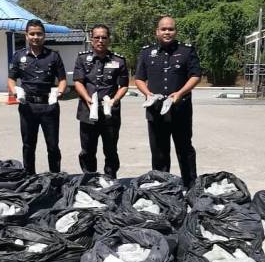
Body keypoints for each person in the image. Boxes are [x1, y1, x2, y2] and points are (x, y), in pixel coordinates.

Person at [134, 16, 201, 188]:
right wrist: (148, 94)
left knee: (185, 149)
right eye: (163, 29)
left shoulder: (187, 51)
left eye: (170, 29)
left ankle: (190, 186)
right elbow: (139, 79)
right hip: (156, 111)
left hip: (181, 110)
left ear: (175, 31)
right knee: (159, 152)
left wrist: (180, 93)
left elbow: (195, 75)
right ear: (157, 32)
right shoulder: (146, 52)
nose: (167, 32)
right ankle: (162, 187)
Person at [8, 19, 67, 175]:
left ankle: (55, 177)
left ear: (44, 35)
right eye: (32, 34)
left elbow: (62, 80)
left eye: (39, 34)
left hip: (49, 106)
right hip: (27, 106)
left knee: (53, 145)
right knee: (28, 145)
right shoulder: (18, 56)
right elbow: (11, 78)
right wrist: (15, 91)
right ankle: (29, 177)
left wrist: (59, 92)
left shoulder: (53, 56)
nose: (36, 37)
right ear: (26, 35)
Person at [73, 24, 129, 178]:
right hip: (87, 112)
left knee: (110, 149)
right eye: (97, 37)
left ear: (109, 39)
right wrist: (87, 99)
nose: (100, 40)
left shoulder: (119, 60)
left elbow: (124, 86)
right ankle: (90, 179)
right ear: (91, 40)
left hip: (110, 113)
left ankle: (110, 179)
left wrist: (115, 100)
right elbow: (78, 81)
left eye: (104, 37)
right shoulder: (82, 58)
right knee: (87, 149)